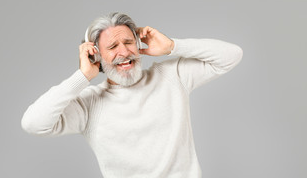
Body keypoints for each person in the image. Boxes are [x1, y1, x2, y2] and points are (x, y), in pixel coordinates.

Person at [21, 12, 243, 178]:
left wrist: (172, 46)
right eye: (113, 47)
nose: (124, 52)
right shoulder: (90, 105)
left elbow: (232, 55)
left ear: (138, 45)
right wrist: (82, 76)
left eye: (128, 42)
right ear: (95, 56)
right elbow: (33, 123)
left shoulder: (171, 76)